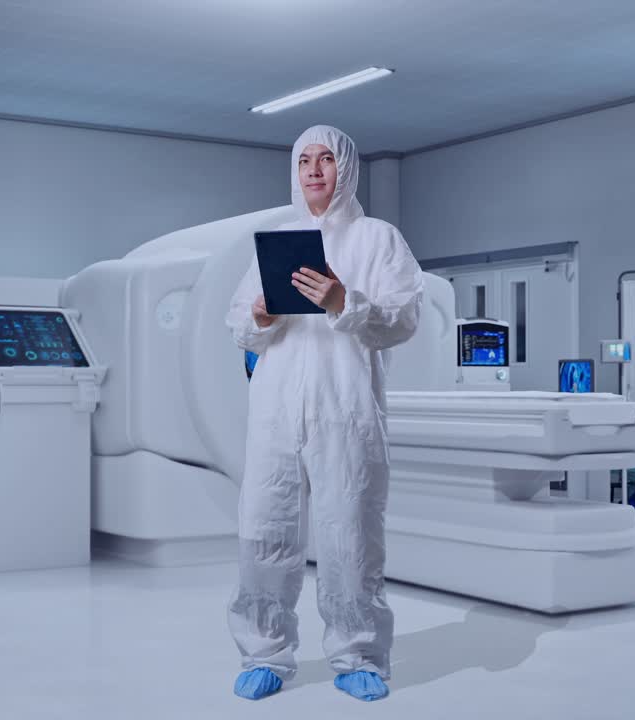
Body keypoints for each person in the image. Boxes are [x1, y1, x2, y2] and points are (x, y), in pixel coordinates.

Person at [225, 125, 424, 702]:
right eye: (304, 161)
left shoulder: (378, 240)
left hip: (347, 410)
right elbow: (238, 323)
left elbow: (404, 318)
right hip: (275, 410)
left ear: (348, 169)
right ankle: (264, 651)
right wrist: (261, 315)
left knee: (350, 533)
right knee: (264, 528)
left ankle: (357, 652)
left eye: (326, 160)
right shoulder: (279, 240)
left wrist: (344, 301)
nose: (314, 171)